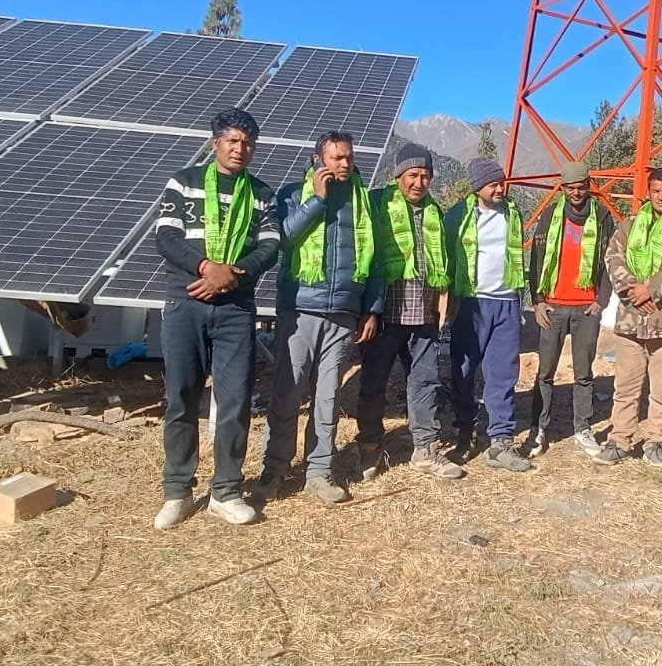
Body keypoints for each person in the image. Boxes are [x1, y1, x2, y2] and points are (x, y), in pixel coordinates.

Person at [152, 108, 281, 530]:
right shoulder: (183, 182)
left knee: (234, 400)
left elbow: (269, 246)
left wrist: (232, 276)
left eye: (248, 143)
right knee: (181, 398)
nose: (240, 149)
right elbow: (166, 236)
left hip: (235, 309)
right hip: (185, 303)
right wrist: (207, 268)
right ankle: (177, 491)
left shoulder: (262, 194)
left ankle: (226, 491)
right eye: (232, 141)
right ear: (216, 144)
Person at [254, 131, 374, 506]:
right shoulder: (292, 194)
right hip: (300, 307)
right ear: (317, 160)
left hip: (344, 312)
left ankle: (319, 472)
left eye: (349, 157)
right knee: (288, 392)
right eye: (337, 157)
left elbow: (375, 258)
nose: (345, 163)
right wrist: (317, 200)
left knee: (327, 397)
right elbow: (283, 239)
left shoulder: (362, 201)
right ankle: (274, 468)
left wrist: (371, 308)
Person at [354, 143, 463, 480]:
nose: (419, 182)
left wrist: (442, 309)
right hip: (384, 314)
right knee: (373, 382)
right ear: (398, 175)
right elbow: (364, 251)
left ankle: (425, 450)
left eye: (425, 176)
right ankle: (370, 448)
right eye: (413, 175)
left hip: (424, 315)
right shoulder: (377, 203)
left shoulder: (434, 212)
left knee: (425, 381)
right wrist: (367, 309)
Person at [594, 167, 662, 469]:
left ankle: (656, 442)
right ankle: (619, 440)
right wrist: (632, 291)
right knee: (625, 386)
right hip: (631, 318)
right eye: (655, 191)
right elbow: (613, 256)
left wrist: (651, 290)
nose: (661, 196)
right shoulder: (631, 224)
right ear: (648, 192)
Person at [444, 157, 532, 472]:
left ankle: (501, 441)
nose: (500, 189)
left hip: (507, 301)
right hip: (472, 302)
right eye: (493, 184)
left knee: (503, 373)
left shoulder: (513, 213)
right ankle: (465, 432)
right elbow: (445, 256)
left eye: (502, 183)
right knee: (464, 370)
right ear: (477, 187)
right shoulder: (457, 216)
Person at [526, 160, 615, 458]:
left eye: (580, 187)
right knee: (545, 373)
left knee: (584, 373)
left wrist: (601, 300)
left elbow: (609, 260)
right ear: (562, 188)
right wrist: (538, 300)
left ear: (588, 186)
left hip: (586, 309)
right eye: (570, 188)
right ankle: (538, 429)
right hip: (553, 307)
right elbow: (537, 258)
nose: (575, 193)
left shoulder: (602, 217)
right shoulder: (551, 215)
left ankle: (582, 429)